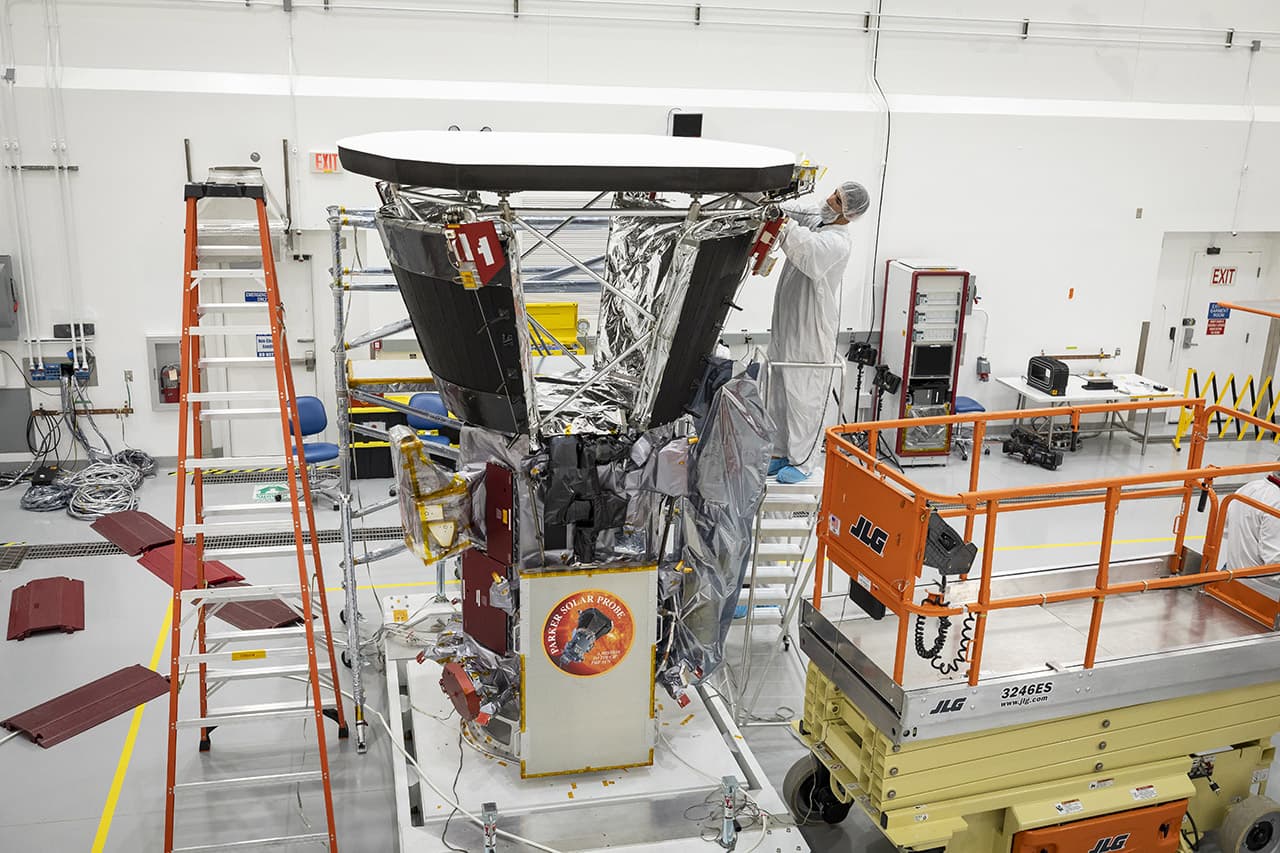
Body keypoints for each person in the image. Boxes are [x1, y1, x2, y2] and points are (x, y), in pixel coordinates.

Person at [766, 181, 869, 484]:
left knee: (803, 395)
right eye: (834, 193)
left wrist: (783, 223)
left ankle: (803, 462)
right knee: (780, 389)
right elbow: (800, 210)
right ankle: (781, 451)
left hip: (811, 327)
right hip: (789, 319)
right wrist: (774, 205)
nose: (829, 199)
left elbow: (807, 251)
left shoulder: (838, 242)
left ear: (848, 214)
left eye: (837, 200)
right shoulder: (822, 219)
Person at [1221, 473, 1280, 596]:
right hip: (1263, 592)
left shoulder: (1249, 487)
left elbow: (1226, 530)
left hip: (1232, 576)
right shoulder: (1277, 504)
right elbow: (1275, 566)